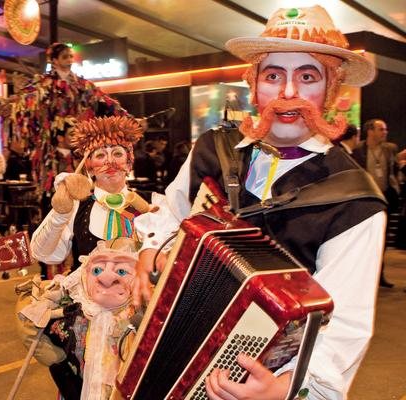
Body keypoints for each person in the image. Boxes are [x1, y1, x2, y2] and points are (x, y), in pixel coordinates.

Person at [132, 6, 385, 400]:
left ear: (331, 89)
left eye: (307, 77)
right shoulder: (214, 149)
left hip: (270, 374)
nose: (288, 93)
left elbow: (344, 323)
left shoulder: (353, 198)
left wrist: (285, 388)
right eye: (273, 76)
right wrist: (151, 249)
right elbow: (173, 209)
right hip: (177, 343)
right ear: (254, 86)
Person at [0, 42, 128, 214]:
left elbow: (105, 100)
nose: (69, 60)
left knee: (81, 185)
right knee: (53, 186)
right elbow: (24, 98)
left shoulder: (82, 84)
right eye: (64, 57)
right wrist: (10, 104)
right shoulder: (43, 83)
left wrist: (127, 117)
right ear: (53, 60)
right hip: (51, 141)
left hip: (76, 139)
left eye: (70, 56)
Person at [30, 115, 154, 276]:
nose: (110, 161)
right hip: (87, 296)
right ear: (89, 167)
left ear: (129, 162)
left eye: (117, 154)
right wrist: (60, 216)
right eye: (100, 155)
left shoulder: (150, 202)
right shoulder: (77, 204)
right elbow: (44, 254)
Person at [16, 238, 139, 399]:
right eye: (97, 270)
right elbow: (30, 323)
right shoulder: (77, 316)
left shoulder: (138, 320)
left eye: (121, 271)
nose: (106, 278)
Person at [352, 118, 398, 288]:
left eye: (385, 129)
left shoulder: (390, 149)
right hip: (365, 199)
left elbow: (393, 171)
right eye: (381, 129)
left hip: (385, 198)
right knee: (363, 237)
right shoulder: (357, 150)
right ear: (370, 131)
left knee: (382, 238)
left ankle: (380, 275)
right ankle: (363, 275)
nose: (385, 132)